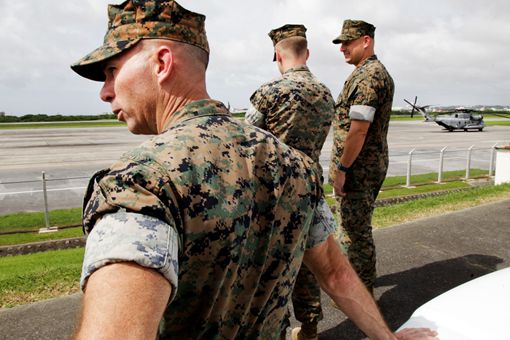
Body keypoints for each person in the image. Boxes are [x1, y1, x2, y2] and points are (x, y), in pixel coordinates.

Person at [71, 2, 438, 339]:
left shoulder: (142, 182)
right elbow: (336, 274)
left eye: (112, 71)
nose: (106, 91)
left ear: (162, 63)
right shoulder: (300, 167)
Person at [245, 24, 336, 340]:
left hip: (275, 194)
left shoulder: (269, 93)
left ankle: (279, 331)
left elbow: (247, 139)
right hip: (311, 190)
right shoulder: (326, 94)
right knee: (308, 259)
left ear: (277, 55)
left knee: (274, 266)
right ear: (306, 53)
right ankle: (309, 327)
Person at [329, 19, 395, 294]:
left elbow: (358, 130)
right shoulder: (366, 72)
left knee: (354, 233)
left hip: (358, 169)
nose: (342, 47)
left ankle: (361, 292)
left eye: (348, 41)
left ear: (366, 41)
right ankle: (360, 282)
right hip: (366, 165)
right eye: (341, 42)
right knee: (354, 228)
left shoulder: (369, 76)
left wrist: (342, 169)